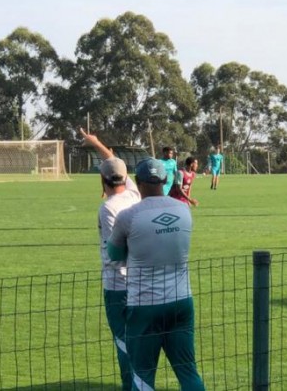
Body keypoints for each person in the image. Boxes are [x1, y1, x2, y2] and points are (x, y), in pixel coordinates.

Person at [108, 158, 205, 391]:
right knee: (188, 371)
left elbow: (114, 254)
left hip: (144, 306)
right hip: (181, 301)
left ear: (138, 181)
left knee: (142, 377)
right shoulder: (183, 209)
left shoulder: (128, 216)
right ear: (164, 180)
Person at [80, 128, 140, 391]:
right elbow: (116, 165)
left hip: (118, 285)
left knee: (124, 342)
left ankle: (132, 387)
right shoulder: (134, 193)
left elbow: (113, 253)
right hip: (141, 280)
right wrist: (97, 144)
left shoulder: (108, 208)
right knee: (139, 340)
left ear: (102, 181)